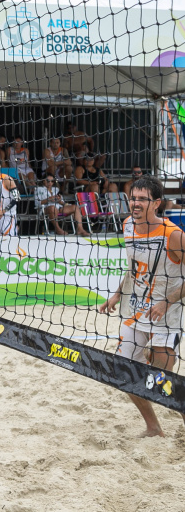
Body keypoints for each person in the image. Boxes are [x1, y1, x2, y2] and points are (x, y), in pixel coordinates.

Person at [98, 175, 185, 437]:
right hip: (135, 310)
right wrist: (116, 295)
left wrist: (167, 301)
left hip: (167, 314)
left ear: (157, 203)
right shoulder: (128, 225)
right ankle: (153, 427)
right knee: (122, 372)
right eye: (133, 198)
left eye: (142, 199)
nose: (135, 203)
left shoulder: (173, 235)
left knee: (163, 383)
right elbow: (134, 269)